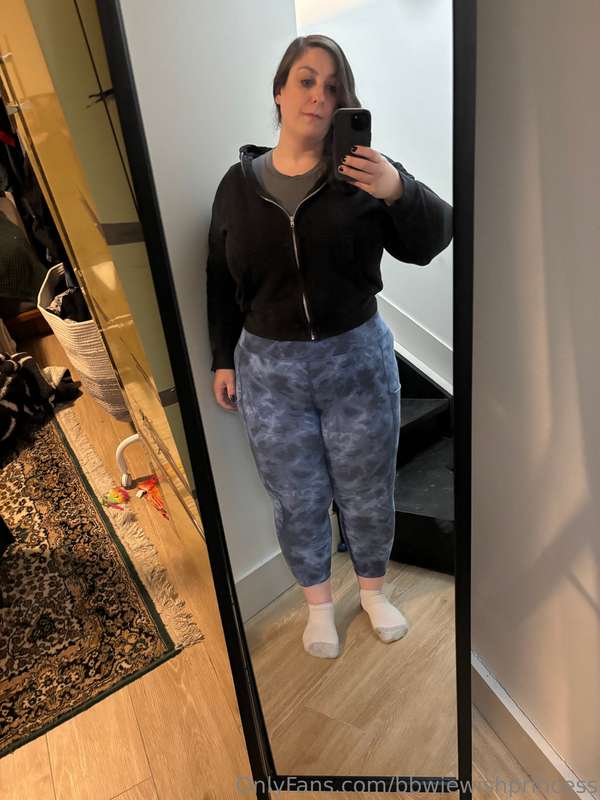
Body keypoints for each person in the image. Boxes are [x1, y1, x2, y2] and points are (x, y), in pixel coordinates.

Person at [206, 34, 453, 659]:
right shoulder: (236, 186)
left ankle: (372, 590)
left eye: (333, 87)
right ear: (280, 91)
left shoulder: (363, 174)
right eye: (307, 80)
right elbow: (218, 277)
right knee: (297, 498)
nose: (319, 95)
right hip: (271, 375)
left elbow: (433, 237)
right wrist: (220, 357)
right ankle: (318, 605)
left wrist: (397, 189)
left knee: (368, 490)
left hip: (356, 364)